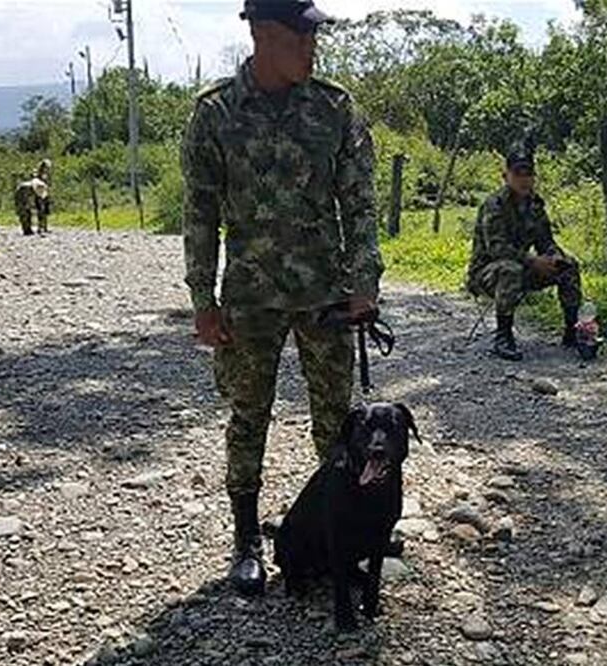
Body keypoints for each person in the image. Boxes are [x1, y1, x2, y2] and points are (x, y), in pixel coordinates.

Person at [182, 0, 383, 597]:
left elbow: (361, 204)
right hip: (251, 295)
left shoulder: (334, 108)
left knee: (336, 422)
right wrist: (202, 300)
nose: (312, 47)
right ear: (264, 34)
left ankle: (338, 529)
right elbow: (200, 213)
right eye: (303, 36)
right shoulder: (215, 114)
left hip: (325, 292)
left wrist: (365, 281)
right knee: (249, 416)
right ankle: (246, 541)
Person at [467, 148, 586, 361]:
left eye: (528, 174)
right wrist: (532, 261)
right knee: (509, 269)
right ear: (506, 176)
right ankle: (503, 336)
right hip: (486, 274)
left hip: (524, 268)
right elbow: (496, 249)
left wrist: (554, 256)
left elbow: (546, 242)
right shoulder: (495, 205)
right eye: (517, 174)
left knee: (569, 265)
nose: (523, 180)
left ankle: (572, 330)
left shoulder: (535, 205)